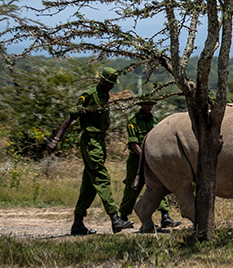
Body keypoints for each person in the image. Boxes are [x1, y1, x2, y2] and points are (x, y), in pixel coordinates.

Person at [48, 67, 134, 235]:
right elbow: (71, 116)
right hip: (90, 142)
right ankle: (115, 219)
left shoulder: (105, 95)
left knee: (89, 183)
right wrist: (56, 139)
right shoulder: (88, 95)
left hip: (100, 141)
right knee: (102, 178)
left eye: (112, 84)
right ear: (102, 80)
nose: (112, 86)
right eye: (110, 83)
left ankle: (78, 223)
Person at [117, 95, 180, 229]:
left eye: (151, 104)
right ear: (141, 105)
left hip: (153, 159)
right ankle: (123, 216)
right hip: (137, 158)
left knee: (160, 184)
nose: (149, 107)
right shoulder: (133, 120)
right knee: (133, 186)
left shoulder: (155, 120)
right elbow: (133, 142)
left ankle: (165, 216)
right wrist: (144, 156)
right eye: (146, 104)